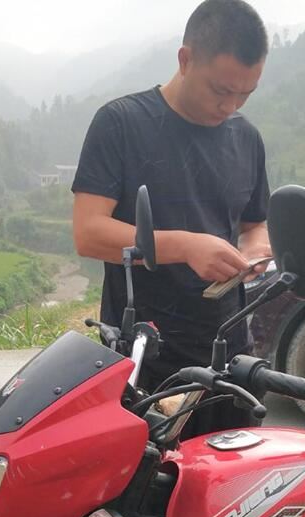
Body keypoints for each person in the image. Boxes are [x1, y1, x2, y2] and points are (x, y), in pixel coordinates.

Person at [71, 0, 271, 438]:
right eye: (220, 90)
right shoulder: (121, 124)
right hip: (147, 356)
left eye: (245, 94)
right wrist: (186, 247)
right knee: (151, 477)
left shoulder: (246, 138)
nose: (230, 105)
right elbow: (88, 232)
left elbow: (255, 222)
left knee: (227, 473)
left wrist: (257, 248)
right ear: (185, 59)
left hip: (230, 352)